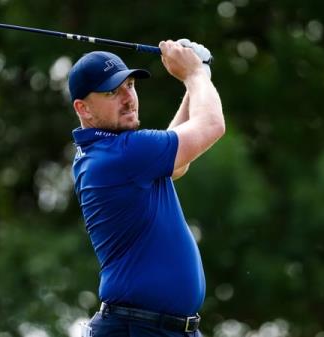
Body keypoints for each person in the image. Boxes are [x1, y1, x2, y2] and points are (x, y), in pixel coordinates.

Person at [69, 39, 224, 337]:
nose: (128, 98)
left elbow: (178, 163)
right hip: (138, 327)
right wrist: (195, 75)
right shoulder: (119, 153)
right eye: (113, 92)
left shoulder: (110, 152)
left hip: (159, 327)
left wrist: (198, 77)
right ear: (84, 109)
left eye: (130, 86)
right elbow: (211, 126)